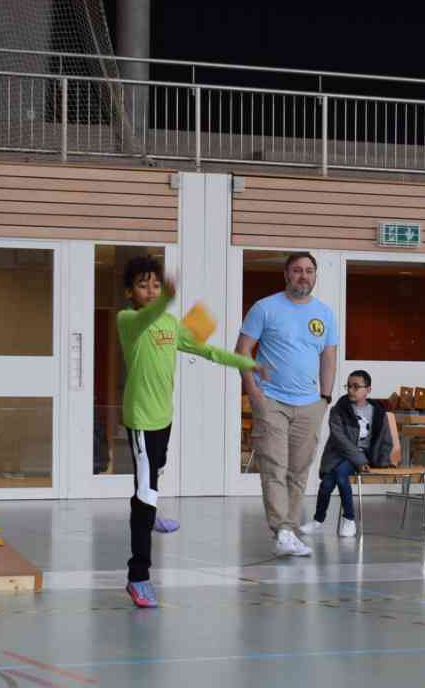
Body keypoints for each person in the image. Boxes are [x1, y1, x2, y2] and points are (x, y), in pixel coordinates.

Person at [115, 256, 255, 609]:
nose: (151, 291)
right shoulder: (128, 320)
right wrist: (166, 297)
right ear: (129, 292)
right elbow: (148, 315)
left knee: (157, 468)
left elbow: (205, 350)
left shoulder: (170, 323)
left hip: (164, 415)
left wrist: (246, 363)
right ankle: (138, 576)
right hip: (142, 420)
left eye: (156, 284)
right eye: (143, 285)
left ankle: (152, 511)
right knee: (144, 492)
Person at [235, 252, 339, 558]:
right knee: (274, 467)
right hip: (272, 401)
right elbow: (242, 350)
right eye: (297, 270)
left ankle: (290, 530)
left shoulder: (325, 313)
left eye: (309, 271)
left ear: (315, 276)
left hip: (310, 404)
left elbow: (329, 356)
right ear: (286, 274)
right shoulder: (265, 308)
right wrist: (254, 392)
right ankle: (281, 529)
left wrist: (325, 397)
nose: (303, 276)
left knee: (298, 471)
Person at [313, 370, 395, 538]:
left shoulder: (378, 412)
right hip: (339, 454)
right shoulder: (338, 410)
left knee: (339, 475)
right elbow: (340, 440)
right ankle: (320, 521)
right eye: (348, 386)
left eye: (356, 387)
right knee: (327, 484)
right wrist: (359, 460)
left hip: (365, 457)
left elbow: (386, 439)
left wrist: (384, 461)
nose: (351, 390)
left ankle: (345, 519)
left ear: (368, 390)